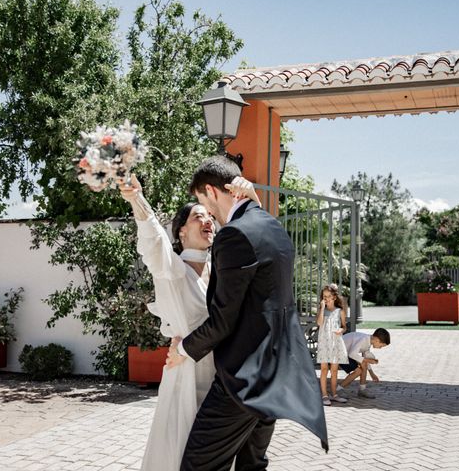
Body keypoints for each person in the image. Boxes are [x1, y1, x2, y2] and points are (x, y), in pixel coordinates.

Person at [166, 156, 328, 471]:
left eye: (202, 201)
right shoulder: (273, 227)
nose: (208, 213)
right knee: (252, 465)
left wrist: (183, 349)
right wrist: (253, 201)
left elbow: (224, 319)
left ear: (211, 192)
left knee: (199, 465)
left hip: (242, 382)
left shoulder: (233, 235)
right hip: (275, 376)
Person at [117, 173, 261, 471]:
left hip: (223, 374)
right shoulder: (172, 270)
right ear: (181, 231)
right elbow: (154, 240)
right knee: (182, 448)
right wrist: (136, 199)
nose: (208, 220)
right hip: (185, 371)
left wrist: (253, 202)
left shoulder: (221, 272)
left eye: (210, 216)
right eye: (198, 216)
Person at [316, 284, 349, 405]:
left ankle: (334, 394)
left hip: (335, 342)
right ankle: (325, 395)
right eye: (324, 296)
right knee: (324, 369)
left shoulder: (340, 311)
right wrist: (322, 308)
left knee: (334, 370)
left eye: (329, 296)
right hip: (324, 342)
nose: (326, 298)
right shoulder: (322, 311)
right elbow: (319, 323)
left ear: (334, 297)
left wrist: (342, 330)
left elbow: (344, 327)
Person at [336, 328, 390, 399]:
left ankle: (362, 390)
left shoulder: (368, 341)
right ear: (377, 339)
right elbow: (352, 354)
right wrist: (368, 360)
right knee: (358, 371)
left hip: (345, 353)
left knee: (363, 364)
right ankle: (338, 390)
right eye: (381, 346)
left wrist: (372, 374)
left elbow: (365, 360)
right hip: (337, 353)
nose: (380, 348)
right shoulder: (363, 340)